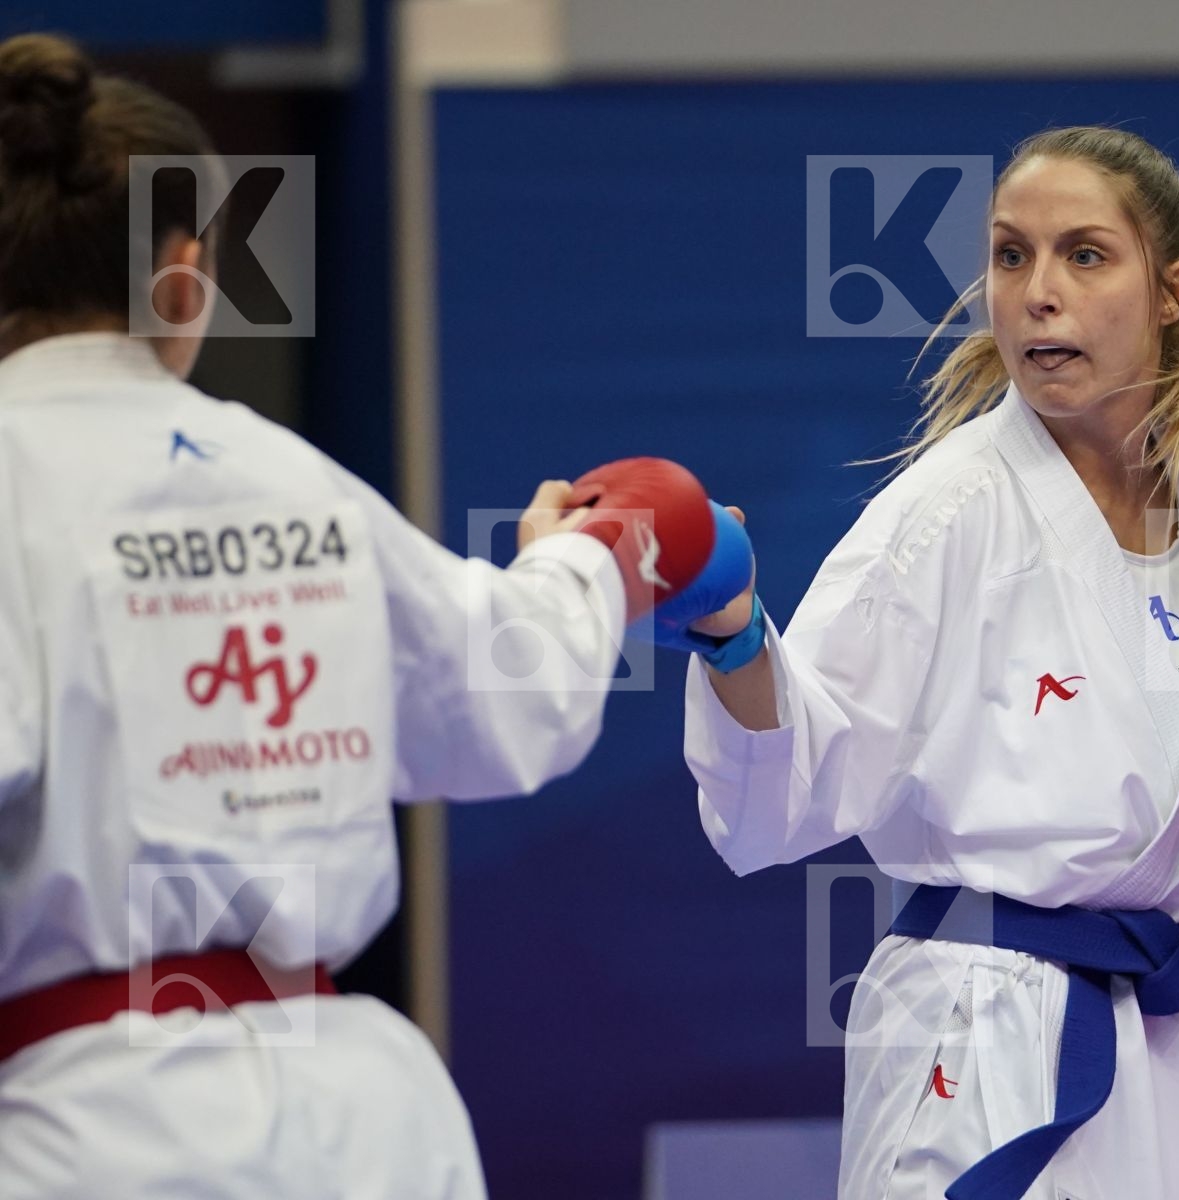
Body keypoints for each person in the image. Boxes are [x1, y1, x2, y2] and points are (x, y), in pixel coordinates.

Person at [0, 33, 720, 1199]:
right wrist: (593, 555)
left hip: (92, 1131)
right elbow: (512, 690)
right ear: (186, 277)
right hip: (365, 1129)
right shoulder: (292, 473)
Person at [681, 126, 1179, 1199]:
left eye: (1084, 255)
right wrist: (730, 634)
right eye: (1010, 255)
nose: (1037, 292)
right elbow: (785, 793)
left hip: (1167, 1039)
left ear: (1171, 290)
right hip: (978, 1031)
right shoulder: (948, 511)